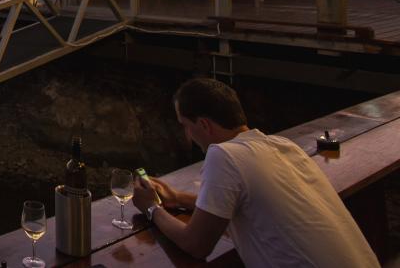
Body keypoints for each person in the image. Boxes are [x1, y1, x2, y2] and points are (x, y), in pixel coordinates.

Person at [131, 78, 378, 268]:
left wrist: (152, 208)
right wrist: (178, 198)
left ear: (203, 124)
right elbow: (246, 201)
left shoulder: (224, 155)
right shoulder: (282, 146)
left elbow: (196, 244)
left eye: (185, 126)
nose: (187, 136)